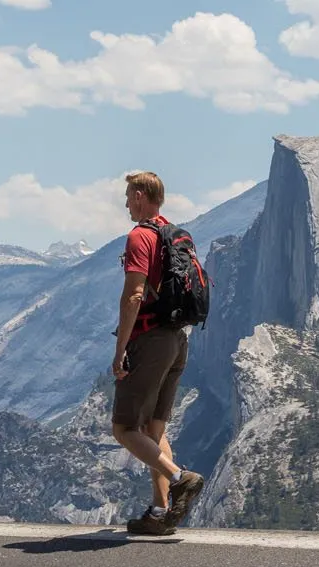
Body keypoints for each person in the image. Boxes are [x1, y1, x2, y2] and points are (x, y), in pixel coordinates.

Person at [111, 171, 204, 536]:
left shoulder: (141, 237)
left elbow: (134, 295)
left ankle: (180, 477)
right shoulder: (177, 235)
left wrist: (121, 349)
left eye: (126, 195)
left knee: (124, 429)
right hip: (179, 339)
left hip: (150, 339)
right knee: (154, 428)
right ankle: (160, 513)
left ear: (138, 195)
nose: (124, 203)